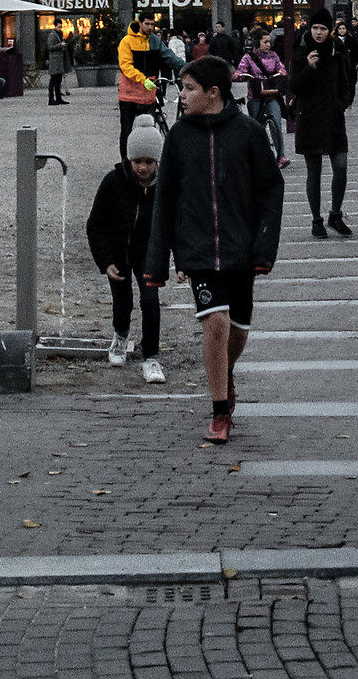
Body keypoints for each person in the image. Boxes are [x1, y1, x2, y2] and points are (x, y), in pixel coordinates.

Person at [143, 57, 285, 445]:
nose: (181, 95)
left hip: (241, 249)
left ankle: (225, 373)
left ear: (213, 93)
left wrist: (264, 245)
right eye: (181, 88)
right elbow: (164, 201)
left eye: (189, 88)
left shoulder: (249, 133)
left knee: (238, 331)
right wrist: (157, 262)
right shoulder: (177, 138)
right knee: (215, 323)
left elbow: (272, 189)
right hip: (198, 249)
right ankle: (220, 411)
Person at [89, 126, 168, 383]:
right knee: (122, 299)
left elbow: (174, 223)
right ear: (129, 160)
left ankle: (151, 356)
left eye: (149, 162)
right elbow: (96, 223)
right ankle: (120, 336)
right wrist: (105, 261)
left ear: (157, 161)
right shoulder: (114, 181)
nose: (143, 168)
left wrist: (182, 262)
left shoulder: (164, 186)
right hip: (118, 250)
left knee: (150, 300)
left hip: (148, 251)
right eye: (137, 162)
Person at [292, 10, 356, 236]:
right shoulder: (301, 51)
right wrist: (308, 68)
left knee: (341, 166)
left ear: (330, 30)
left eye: (322, 29)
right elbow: (294, 86)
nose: (318, 33)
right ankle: (316, 220)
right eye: (315, 28)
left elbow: (346, 80)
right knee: (314, 172)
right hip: (309, 118)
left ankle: (335, 215)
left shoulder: (337, 50)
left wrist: (343, 102)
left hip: (334, 118)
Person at [237, 30, 290, 166]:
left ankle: (281, 155)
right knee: (257, 128)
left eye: (269, 41)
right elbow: (240, 71)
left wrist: (280, 73)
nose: (268, 44)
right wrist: (241, 75)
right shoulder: (248, 57)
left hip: (271, 95)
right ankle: (261, 155)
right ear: (257, 42)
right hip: (255, 96)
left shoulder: (274, 55)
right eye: (265, 41)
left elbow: (281, 68)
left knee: (276, 125)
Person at [117, 18, 165, 156]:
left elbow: (165, 59)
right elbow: (125, 66)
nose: (150, 27)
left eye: (152, 24)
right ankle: (125, 162)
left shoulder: (153, 41)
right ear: (140, 24)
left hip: (148, 94)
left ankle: (149, 159)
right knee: (126, 130)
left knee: (149, 129)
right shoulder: (126, 41)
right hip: (129, 94)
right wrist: (143, 79)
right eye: (147, 24)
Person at [42, 27, 72, 106]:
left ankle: (58, 98)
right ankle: (51, 99)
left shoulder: (59, 35)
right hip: (55, 61)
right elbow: (50, 47)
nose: (60, 28)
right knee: (53, 80)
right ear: (55, 26)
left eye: (61, 26)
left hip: (59, 61)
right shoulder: (52, 35)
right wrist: (60, 45)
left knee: (58, 79)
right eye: (59, 26)